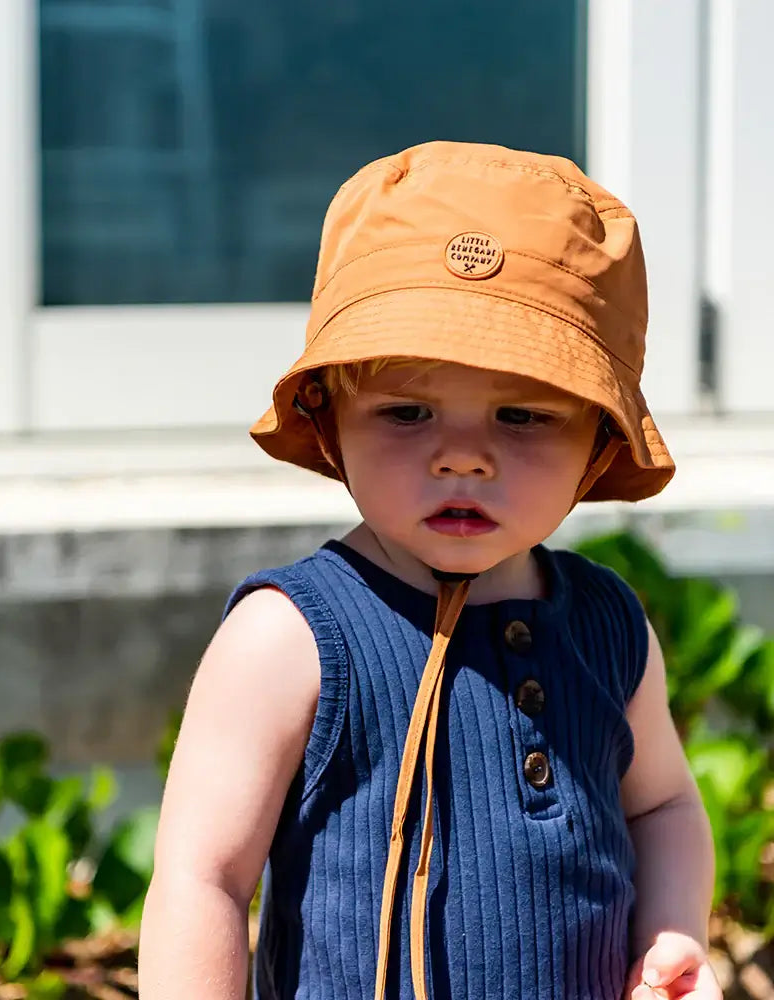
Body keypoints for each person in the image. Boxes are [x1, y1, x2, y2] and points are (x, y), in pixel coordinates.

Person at [138, 141, 719, 1000]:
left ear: (599, 442)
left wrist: (674, 939)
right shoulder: (292, 636)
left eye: (522, 416)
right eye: (407, 412)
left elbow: (663, 806)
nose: (462, 457)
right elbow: (202, 880)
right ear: (328, 419)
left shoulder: (607, 626)